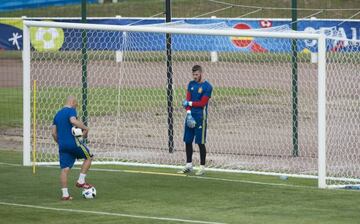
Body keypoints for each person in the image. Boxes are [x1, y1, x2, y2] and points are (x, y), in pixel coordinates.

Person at [51, 96, 93, 200]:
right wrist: (85, 128)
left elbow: (53, 133)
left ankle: (65, 195)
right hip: (73, 143)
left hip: (62, 145)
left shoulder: (57, 114)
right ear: (73, 102)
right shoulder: (71, 111)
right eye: (76, 105)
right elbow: (73, 121)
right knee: (89, 157)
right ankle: (81, 181)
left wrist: (60, 143)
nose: (76, 107)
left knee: (65, 169)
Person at [178, 65, 213, 176]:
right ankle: (189, 165)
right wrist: (188, 113)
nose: (194, 77)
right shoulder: (191, 84)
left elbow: (202, 103)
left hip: (200, 117)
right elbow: (187, 100)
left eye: (196, 74)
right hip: (190, 116)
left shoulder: (208, 87)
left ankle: (202, 167)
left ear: (201, 73)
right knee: (188, 141)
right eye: (193, 74)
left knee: (200, 142)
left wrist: (190, 104)